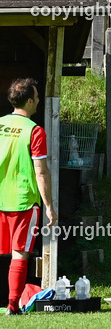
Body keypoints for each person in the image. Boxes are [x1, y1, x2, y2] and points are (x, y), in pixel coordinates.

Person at [0, 78, 56, 316]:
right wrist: (50, 206)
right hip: (23, 200)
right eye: (37, 97)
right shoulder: (35, 131)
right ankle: (13, 306)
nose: (39, 101)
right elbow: (41, 172)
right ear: (30, 101)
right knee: (19, 254)